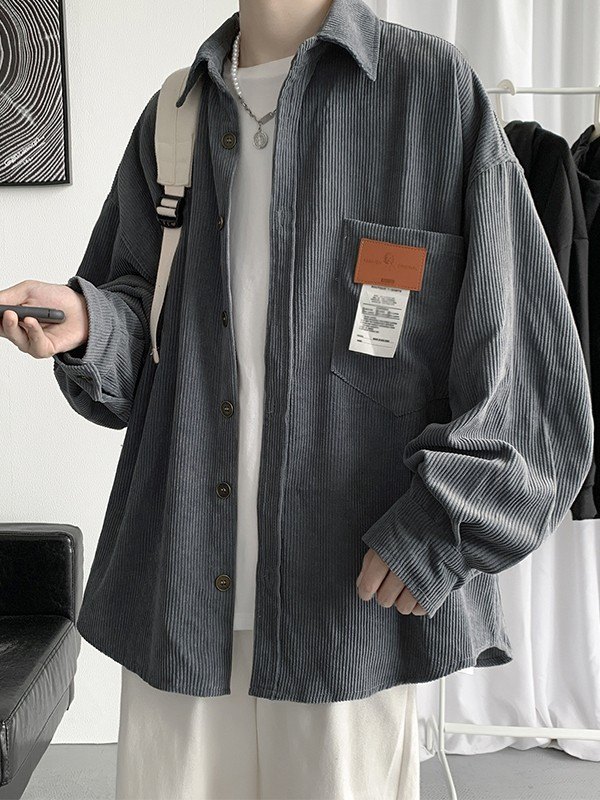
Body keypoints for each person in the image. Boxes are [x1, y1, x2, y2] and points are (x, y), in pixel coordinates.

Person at [0, 0, 593, 798]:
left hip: (348, 601)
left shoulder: (429, 91)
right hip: (180, 585)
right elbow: (142, 326)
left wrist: (438, 529)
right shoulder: (174, 114)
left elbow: (528, 362)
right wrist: (87, 323)